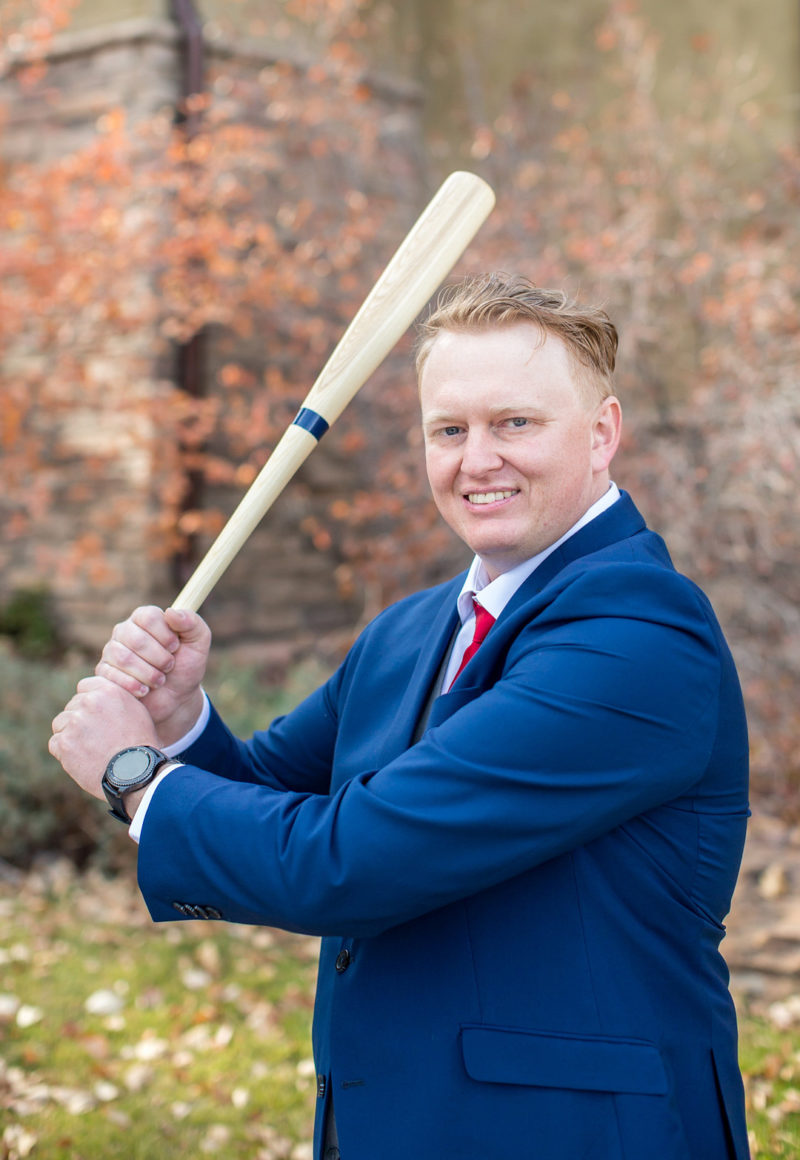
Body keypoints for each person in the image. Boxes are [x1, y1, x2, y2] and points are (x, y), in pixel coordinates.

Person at [50, 274, 750, 1160]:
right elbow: (263, 787)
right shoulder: (413, 629)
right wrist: (178, 720)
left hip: (571, 1135)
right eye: (449, 430)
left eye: (515, 423)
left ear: (603, 432)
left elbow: (350, 859)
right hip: (388, 1122)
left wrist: (133, 777)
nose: (478, 459)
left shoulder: (639, 640)